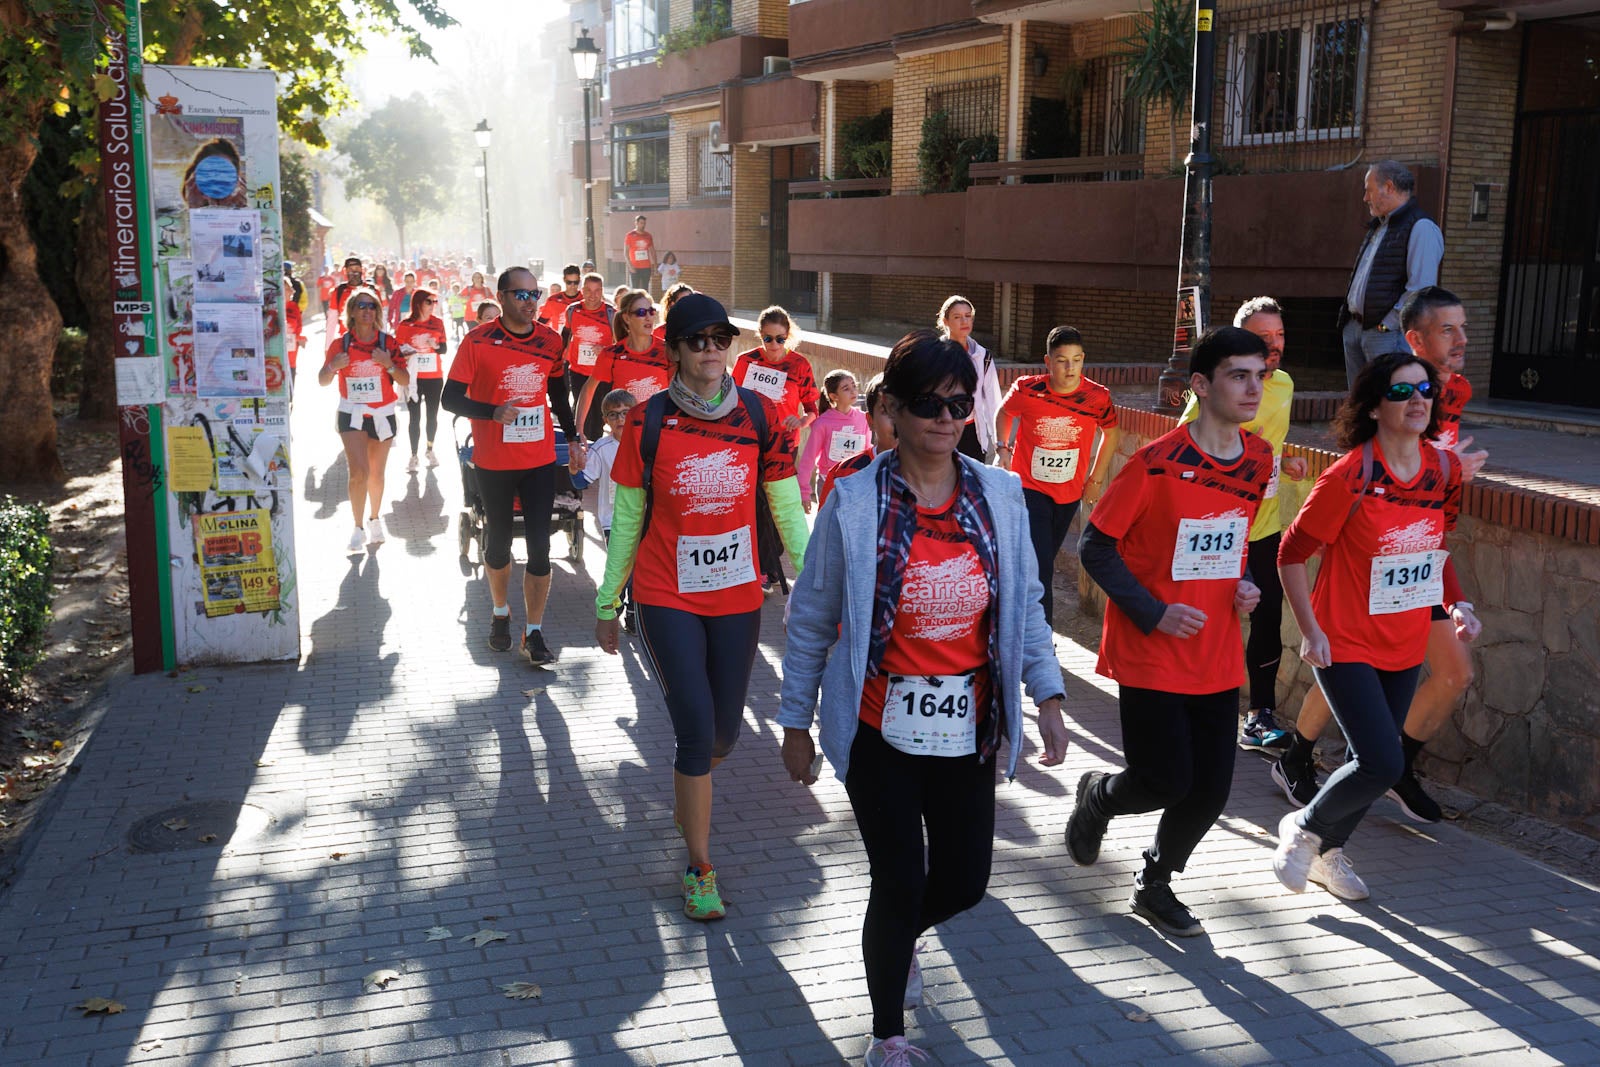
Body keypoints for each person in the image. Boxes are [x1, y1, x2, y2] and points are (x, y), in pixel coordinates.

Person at [778, 329, 1069, 1065]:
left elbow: (1026, 604)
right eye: (929, 404)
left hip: (968, 724)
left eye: (959, 404)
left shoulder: (1001, 496)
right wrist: (795, 722)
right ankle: (887, 1036)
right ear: (893, 411)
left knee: (965, 882)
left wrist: (1048, 693)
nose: (946, 418)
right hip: (879, 725)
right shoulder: (853, 502)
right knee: (899, 877)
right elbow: (811, 617)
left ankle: (898, 933)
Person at [592, 293, 810, 922]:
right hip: (666, 594)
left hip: (737, 595)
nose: (711, 349)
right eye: (697, 340)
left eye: (721, 338)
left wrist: (816, 580)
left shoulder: (761, 414)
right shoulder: (648, 420)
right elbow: (628, 517)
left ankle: (690, 792)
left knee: (723, 735)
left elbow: (785, 506)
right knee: (694, 731)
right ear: (675, 351)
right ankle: (699, 868)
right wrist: (608, 599)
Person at [1067, 326, 1275, 937]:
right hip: (1152, 644)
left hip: (1214, 648)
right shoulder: (1156, 463)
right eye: (1239, 376)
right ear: (1202, 385)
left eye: (1260, 376)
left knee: (1209, 791)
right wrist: (1154, 611)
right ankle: (1098, 797)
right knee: (1164, 780)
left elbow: (1230, 538)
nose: (1253, 388)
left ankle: (1155, 883)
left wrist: (1242, 583)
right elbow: (1096, 546)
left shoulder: (1259, 459)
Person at [1271, 287, 1487, 820]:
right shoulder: (1358, 464)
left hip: (1413, 584)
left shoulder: (1451, 403)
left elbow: (1432, 535)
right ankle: (1331, 768)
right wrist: (1311, 631)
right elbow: (1294, 548)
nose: (1461, 339)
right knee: (1355, 682)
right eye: (1448, 329)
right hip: (1360, 596)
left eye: (1426, 393)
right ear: (1416, 338)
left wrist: (1456, 600)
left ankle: (1386, 769)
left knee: (1450, 676)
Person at [1179, 298, 1309, 749]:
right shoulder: (1217, 391)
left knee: (1268, 616)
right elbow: (1184, 446)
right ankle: (1189, 703)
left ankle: (1259, 716)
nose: (1274, 345)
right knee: (1210, 616)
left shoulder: (1285, 384)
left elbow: (1269, 443)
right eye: (1262, 336)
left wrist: (1285, 462)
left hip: (1264, 524)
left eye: (1280, 335)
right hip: (1216, 529)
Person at [442, 267, 583, 665]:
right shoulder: (477, 340)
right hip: (494, 462)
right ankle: (500, 612)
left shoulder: (550, 340)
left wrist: (574, 438)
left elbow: (558, 393)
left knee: (540, 547)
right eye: (520, 294)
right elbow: (450, 399)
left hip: (538, 459)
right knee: (499, 543)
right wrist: (492, 411)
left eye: (534, 294)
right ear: (501, 297)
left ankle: (534, 631)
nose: (529, 301)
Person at [997, 325, 1120, 626]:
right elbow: (1005, 412)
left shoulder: (1097, 396)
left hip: (1068, 492)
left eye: (1076, 360)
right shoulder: (1028, 389)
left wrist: (1095, 480)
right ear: (1048, 361)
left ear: (1083, 359)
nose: (1070, 368)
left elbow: (1112, 433)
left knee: (1041, 561)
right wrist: (1003, 448)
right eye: (1062, 361)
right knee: (1041, 567)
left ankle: (1012, 613)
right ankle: (1041, 637)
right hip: (1030, 487)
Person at [732, 306, 820, 591]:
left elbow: (812, 408)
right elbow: (732, 399)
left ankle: (770, 566)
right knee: (754, 506)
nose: (773, 345)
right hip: (749, 444)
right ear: (760, 335)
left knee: (776, 509)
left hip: (783, 446)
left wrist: (801, 421)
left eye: (780, 339)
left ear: (788, 336)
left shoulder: (799, 365)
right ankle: (764, 568)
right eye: (767, 339)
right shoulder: (746, 361)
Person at [1338, 160, 1444, 389]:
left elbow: (1421, 289)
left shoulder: (1421, 227)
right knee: (1360, 400)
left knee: (1388, 398)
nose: (1365, 198)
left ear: (1388, 187)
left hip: (1385, 334)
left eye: (1369, 190)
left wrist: (1387, 325)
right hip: (1357, 328)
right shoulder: (1380, 225)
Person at [319, 287, 410, 551]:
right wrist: (333, 367)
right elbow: (322, 380)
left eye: (372, 306)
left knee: (376, 475)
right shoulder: (340, 345)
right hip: (352, 413)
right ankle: (358, 527)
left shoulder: (387, 343)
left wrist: (388, 364)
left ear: (377, 311)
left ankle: (374, 519)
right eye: (361, 305)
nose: (367, 310)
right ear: (352, 311)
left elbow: (404, 380)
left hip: (382, 414)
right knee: (359, 472)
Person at [569, 388, 637, 627]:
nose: (620, 419)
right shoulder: (601, 448)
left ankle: (633, 611)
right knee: (621, 567)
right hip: (613, 520)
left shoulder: (647, 444)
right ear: (605, 420)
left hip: (643, 518)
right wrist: (574, 469)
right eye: (613, 414)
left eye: (626, 413)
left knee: (639, 568)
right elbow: (581, 482)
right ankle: (616, 600)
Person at [577, 289, 670, 431]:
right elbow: (588, 389)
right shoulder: (612, 354)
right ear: (627, 318)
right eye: (641, 312)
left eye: (651, 311)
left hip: (657, 433)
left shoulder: (667, 351)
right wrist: (579, 428)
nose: (648, 317)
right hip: (625, 434)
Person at [936, 295, 1001, 462]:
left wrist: (999, 442)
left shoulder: (983, 356)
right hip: (942, 429)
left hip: (973, 432)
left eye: (968, 316)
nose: (964, 321)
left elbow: (993, 401)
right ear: (945, 321)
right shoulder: (934, 354)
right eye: (957, 317)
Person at [796, 369, 870, 513]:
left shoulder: (864, 419)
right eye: (846, 388)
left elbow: (867, 451)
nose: (853, 391)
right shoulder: (822, 423)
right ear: (834, 396)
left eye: (854, 386)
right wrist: (804, 492)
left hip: (856, 483)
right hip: (828, 483)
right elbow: (808, 458)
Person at [819, 373, 896, 508]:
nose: (900, 421)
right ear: (870, 421)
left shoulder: (934, 475)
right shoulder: (842, 476)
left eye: (911, 410)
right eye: (888, 411)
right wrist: (804, 488)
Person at [397, 289, 449, 473]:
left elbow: (444, 349)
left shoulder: (438, 323)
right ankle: (413, 455)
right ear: (418, 303)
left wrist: (436, 346)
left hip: (434, 377)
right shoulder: (405, 325)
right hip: (413, 379)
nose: (433, 305)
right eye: (429, 301)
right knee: (414, 417)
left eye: (435, 301)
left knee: (432, 416)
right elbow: (397, 351)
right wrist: (407, 353)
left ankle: (429, 449)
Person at [560, 272, 615, 443]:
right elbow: (566, 334)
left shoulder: (611, 313)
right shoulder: (572, 310)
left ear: (602, 291)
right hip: (578, 371)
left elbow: (621, 344)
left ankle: (594, 446)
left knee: (598, 415)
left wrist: (605, 350)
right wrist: (560, 355)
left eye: (597, 290)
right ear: (582, 290)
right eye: (589, 290)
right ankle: (580, 443)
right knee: (581, 411)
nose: (593, 295)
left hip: (602, 373)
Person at [180, 137, 248, 208]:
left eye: (224, 175)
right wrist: (194, 209)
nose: (216, 183)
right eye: (208, 174)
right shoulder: (176, 213)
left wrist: (238, 212)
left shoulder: (247, 212)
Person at [539, 264, 583, 330]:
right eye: (569, 282)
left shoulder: (586, 300)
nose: (572, 285)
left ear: (579, 280)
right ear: (564, 280)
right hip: (558, 336)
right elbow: (540, 325)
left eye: (576, 282)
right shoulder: (553, 300)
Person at [624, 214, 657, 290]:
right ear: (636, 223)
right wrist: (630, 266)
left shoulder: (648, 236)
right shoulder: (630, 235)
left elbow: (652, 252)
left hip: (646, 267)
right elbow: (626, 252)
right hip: (635, 266)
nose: (643, 225)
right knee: (635, 289)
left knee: (645, 288)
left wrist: (655, 267)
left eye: (644, 223)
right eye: (641, 223)